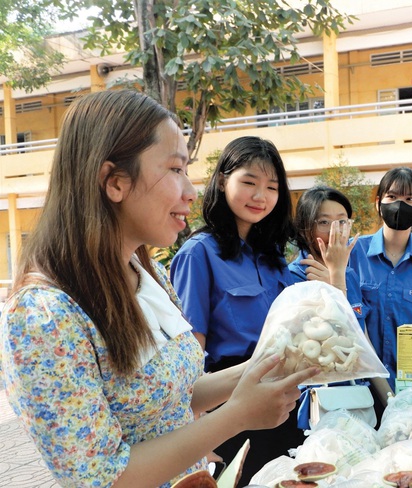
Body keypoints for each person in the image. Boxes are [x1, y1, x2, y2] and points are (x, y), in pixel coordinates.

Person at [0, 90, 318, 488]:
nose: (190, 190)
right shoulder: (42, 316)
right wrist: (236, 416)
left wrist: (270, 366)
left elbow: (172, 392)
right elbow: (102, 477)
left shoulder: (145, 273)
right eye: (174, 169)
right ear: (115, 182)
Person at [169, 136, 303, 485]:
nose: (261, 196)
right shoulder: (198, 254)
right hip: (229, 403)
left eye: (272, 187)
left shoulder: (273, 259)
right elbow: (188, 357)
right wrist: (200, 435)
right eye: (249, 182)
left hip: (282, 400)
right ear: (222, 181)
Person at [349, 167, 412, 402]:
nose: (399, 205)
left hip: (411, 392)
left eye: (409, 199)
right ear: (378, 203)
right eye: (392, 197)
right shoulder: (352, 252)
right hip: (360, 390)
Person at [289, 185, 364, 328]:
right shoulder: (294, 278)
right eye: (324, 222)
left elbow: (361, 336)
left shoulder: (349, 274)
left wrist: (336, 277)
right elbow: (327, 338)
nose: (334, 231)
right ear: (304, 229)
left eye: (342, 222)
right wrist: (334, 285)